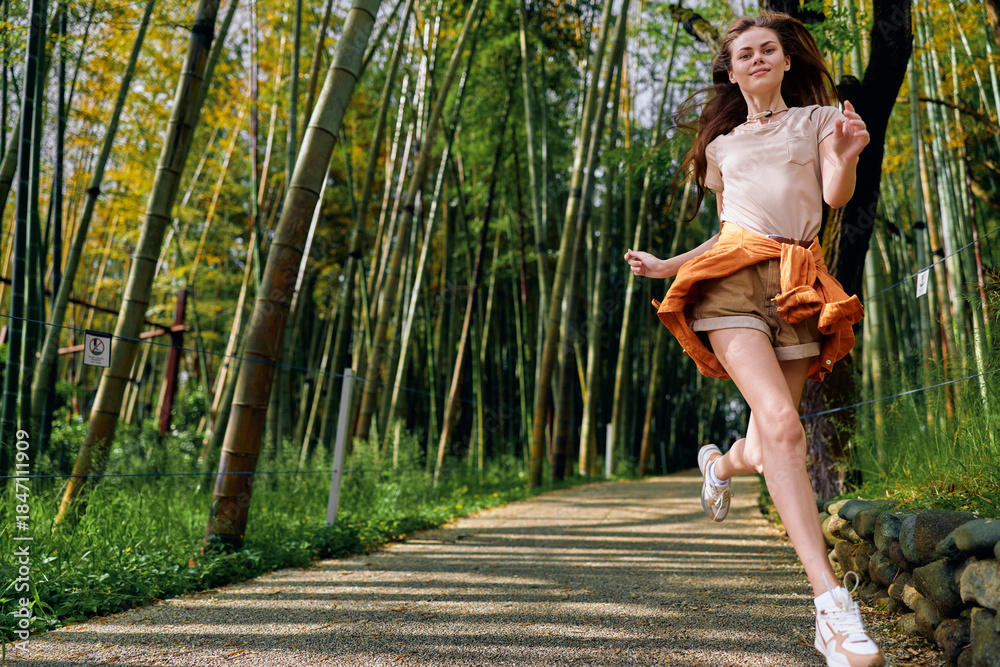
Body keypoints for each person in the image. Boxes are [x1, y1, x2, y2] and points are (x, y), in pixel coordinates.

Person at [624, 12, 885, 667]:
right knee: (784, 427)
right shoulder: (721, 148)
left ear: (787, 61)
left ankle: (720, 464)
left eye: (769, 48)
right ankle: (831, 607)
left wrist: (850, 154)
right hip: (730, 279)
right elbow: (727, 230)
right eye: (745, 53)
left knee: (772, 439)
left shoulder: (822, 120)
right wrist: (668, 266)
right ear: (732, 69)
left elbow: (832, 193)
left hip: (798, 277)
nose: (758, 58)